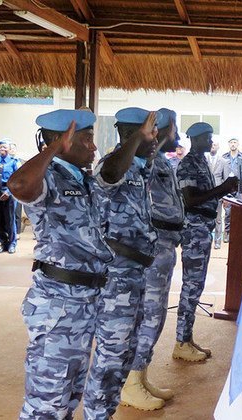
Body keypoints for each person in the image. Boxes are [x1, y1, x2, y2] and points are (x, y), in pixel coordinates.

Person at [7, 109, 113, 418]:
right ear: (64, 142)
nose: (94, 147)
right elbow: (18, 185)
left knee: (68, 397)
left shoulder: (84, 180)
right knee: (46, 401)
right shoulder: (48, 176)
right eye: (86, 139)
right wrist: (53, 149)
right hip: (58, 305)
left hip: (86, 302)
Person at [83, 108, 160, 419]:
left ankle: (106, 412)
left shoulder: (138, 167)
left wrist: (150, 142)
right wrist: (136, 140)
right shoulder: (114, 165)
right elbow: (108, 176)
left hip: (135, 275)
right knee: (110, 357)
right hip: (116, 277)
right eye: (149, 134)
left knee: (124, 354)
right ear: (131, 136)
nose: (154, 139)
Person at [121, 108, 184, 411]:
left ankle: (140, 376)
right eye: (174, 129)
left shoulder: (159, 161)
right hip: (151, 249)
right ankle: (131, 382)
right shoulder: (141, 162)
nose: (176, 136)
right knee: (148, 316)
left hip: (163, 247)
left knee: (153, 316)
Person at [174, 122, 238, 362]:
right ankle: (181, 341)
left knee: (196, 285)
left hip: (204, 228)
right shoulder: (188, 163)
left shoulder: (203, 162)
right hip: (194, 230)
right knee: (191, 286)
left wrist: (224, 189)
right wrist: (221, 188)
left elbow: (205, 195)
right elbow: (190, 200)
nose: (210, 142)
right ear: (195, 139)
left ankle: (187, 338)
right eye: (206, 138)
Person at [0, 139, 20, 253]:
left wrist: (8, 192)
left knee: (10, 218)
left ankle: (12, 243)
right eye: (0, 147)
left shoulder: (13, 161)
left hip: (8, 191)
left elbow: (18, 179)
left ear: (9, 149)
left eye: (5, 147)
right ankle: (3, 243)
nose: (2, 149)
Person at [221, 138, 242, 243]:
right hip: (227, 187)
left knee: (240, 211)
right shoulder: (224, 157)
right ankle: (228, 233)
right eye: (231, 142)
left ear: (238, 144)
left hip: (239, 187)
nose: (233, 144)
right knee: (228, 212)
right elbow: (221, 175)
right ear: (228, 144)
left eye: (235, 142)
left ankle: (239, 233)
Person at [207, 141, 230, 249]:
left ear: (218, 146)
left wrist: (226, 197)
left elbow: (226, 181)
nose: (213, 146)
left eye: (215, 145)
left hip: (218, 195)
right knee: (206, 218)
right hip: (205, 195)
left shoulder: (224, 161)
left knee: (218, 219)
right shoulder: (203, 160)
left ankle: (217, 242)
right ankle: (207, 240)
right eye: (211, 144)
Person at [9, 143, 25, 239]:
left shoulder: (19, 161)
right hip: (7, 188)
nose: (12, 150)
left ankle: (17, 232)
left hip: (18, 189)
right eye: (10, 148)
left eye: (13, 149)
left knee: (17, 211)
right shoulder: (5, 162)